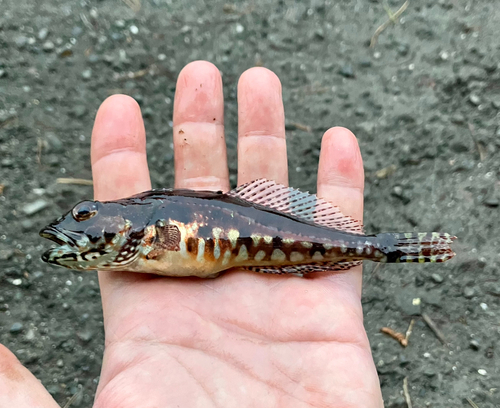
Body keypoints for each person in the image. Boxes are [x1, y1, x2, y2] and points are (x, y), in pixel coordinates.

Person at [0, 61, 383, 407]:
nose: (77, 225)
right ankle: (379, 248)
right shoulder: (141, 230)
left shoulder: (149, 228)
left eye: (85, 215)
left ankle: (381, 248)